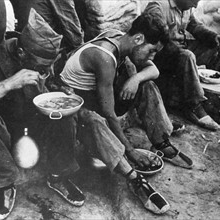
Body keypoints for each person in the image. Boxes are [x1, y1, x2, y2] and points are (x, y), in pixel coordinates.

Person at [53, 11, 194, 214]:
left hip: (95, 98)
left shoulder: (120, 36)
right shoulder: (103, 56)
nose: (152, 56)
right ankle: (135, 179)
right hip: (74, 107)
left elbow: (154, 70)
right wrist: (130, 150)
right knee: (95, 121)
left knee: (147, 85)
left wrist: (135, 79)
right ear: (138, 39)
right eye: (151, 51)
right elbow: (108, 113)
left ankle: (161, 142)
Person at [0, 8, 85, 220]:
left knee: (64, 114)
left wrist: (60, 90)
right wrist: (7, 85)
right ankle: (4, 186)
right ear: (22, 53)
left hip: (32, 125)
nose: (47, 71)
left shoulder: (41, 58)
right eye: (43, 67)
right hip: (2, 132)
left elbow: (52, 83)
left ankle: (58, 174)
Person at [144, 0, 220, 131]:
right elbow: (154, 35)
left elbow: (194, 25)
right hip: (160, 56)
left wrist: (212, 36)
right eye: (193, 2)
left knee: (215, 48)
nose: (195, 5)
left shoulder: (185, 7)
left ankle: (212, 99)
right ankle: (194, 106)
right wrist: (176, 51)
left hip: (179, 52)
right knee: (187, 56)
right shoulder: (158, 6)